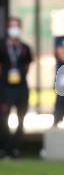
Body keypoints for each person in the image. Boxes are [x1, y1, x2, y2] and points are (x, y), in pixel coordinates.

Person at [0, 17, 33, 158]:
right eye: (12, 26)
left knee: (21, 117)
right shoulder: (2, 46)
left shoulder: (25, 48)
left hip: (21, 87)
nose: (14, 29)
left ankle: (16, 148)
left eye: (17, 26)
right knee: (4, 117)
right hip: (6, 87)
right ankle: (5, 147)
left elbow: (28, 65)